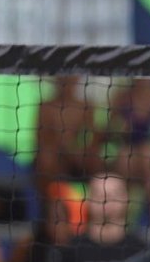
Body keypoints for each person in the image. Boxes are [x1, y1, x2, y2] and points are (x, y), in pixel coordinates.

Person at [34, 74, 105, 208]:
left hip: (79, 156)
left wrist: (80, 150)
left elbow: (94, 137)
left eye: (71, 76)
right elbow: (41, 140)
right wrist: (65, 148)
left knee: (96, 158)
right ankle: (48, 207)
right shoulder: (46, 107)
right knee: (46, 158)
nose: (66, 79)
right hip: (56, 157)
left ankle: (96, 203)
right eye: (63, 76)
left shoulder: (87, 107)